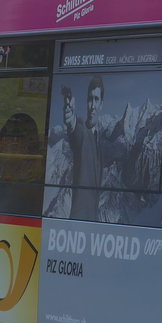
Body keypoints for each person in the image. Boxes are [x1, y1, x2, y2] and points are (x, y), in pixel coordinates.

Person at [63, 77, 105, 219]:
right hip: (77, 224)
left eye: (96, 99)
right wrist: (71, 120)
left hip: (91, 225)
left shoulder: (99, 138)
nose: (92, 105)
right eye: (89, 99)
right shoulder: (82, 131)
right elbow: (76, 131)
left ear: (101, 104)